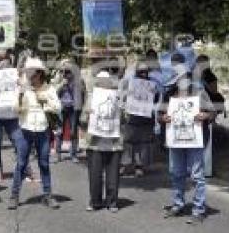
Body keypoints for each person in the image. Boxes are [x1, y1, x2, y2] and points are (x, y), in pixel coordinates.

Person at [159, 67, 215, 224]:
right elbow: (159, 115)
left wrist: (205, 115)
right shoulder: (169, 95)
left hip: (195, 140)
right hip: (175, 140)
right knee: (176, 173)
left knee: (197, 175)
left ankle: (198, 209)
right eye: (179, 78)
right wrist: (164, 118)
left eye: (185, 77)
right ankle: (178, 204)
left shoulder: (199, 93)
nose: (183, 80)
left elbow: (212, 112)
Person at [8, 58, 61, 209]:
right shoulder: (23, 90)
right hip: (25, 130)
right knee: (21, 164)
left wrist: (46, 101)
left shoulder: (49, 89)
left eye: (33, 72)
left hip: (43, 131)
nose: (30, 75)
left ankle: (48, 196)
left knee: (44, 163)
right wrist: (20, 96)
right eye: (28, 72)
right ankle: (14, 196)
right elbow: (15, 110)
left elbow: (58, 107)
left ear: (40, 74)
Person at [0, 51, 28, 182]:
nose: (2, 63)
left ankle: (24, 168)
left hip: (13, 116)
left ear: (10, 63)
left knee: (20, 142)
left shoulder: (17, 77)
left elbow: (25, 91)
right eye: (0, 61)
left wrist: (21, 85)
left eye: (5, 61)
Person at [86, 70, 123, 212]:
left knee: (113, 174)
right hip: (95, 143)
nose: (103, 85)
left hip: (114, 143)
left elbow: (125, 118)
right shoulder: (91, 98)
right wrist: (87, 113)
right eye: (100, 83)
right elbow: (83, 120)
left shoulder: (117, 97)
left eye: (105, 83)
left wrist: (120, 110)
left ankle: (112, 202)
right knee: (95, 174)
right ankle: (95, 202)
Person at [120, 61, 159, 177]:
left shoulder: (152, 84)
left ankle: (139, 166)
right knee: (128, 142)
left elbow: (156, 100)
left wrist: (153, 94)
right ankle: (125, 165)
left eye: (145, 72)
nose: (143, 74)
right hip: (132, 118)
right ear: (136, 72)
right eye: (141, 72)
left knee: (143, 143)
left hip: (146, 119)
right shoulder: (129, 83)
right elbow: (123, 98)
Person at [53, 59, 86, 162]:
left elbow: (83, 93)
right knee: (59, 131)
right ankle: (58, 154)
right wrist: (62, 84)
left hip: (73, 107)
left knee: (73, 131)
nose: (66, 73)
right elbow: (53, 93)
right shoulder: (59, 78)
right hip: (61, 107)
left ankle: (73, 154)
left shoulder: (78, 79)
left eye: (68, 70)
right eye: (65, 70)